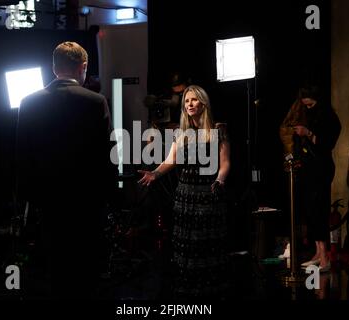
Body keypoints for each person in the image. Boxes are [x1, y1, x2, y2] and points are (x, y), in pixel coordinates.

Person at [16, 41, 117, 298]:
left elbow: (23, 157)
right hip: (87, 204)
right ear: (83, 67)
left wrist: (32, 200)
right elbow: (107, 155)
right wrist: (109, 198)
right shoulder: (96, 102)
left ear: (53, 68)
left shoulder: (29, 102)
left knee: (57, 272)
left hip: (48, 204)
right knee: (86, 273)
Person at [138, 85, 231, 298]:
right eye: (186, 101)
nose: (189, 104)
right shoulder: (182, 134)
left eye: (194, 100)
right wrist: (154, 173)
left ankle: (209, 292)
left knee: (206, 245)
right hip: (185, 196)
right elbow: (171, 160)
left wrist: (220, 178)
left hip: (208, 194)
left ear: (203, 103)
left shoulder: (218, 130)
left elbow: (225, 163)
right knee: (187, 247)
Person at [280, 84, 341, 271]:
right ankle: (317, 253)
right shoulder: (306, 113)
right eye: (305, 105)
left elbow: (327, 143)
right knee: (309, 210)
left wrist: (308, 133)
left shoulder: (328, 116)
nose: (308, 108)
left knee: (319, 209)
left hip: (321, 168)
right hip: (307, 168)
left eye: (311, 104)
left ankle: (324, 258)